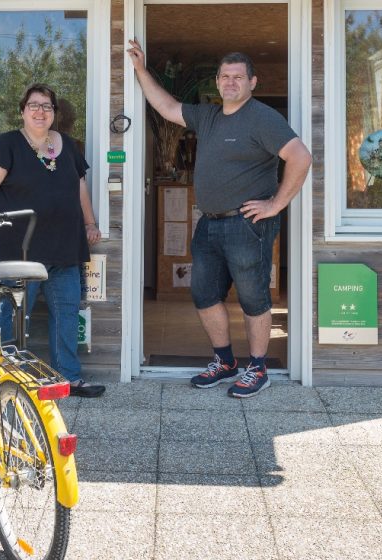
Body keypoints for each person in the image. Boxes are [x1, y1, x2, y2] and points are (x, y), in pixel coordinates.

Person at [128, 39, 312, 398]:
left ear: (252, 82)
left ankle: (257, 368)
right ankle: (225, 362)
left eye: (238, 77)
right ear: (217, 81)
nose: (230, 82)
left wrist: (275, 204)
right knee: (204, 293)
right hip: (209, 222)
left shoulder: (262, 117)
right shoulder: (208, 116)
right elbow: (166, 107)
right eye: (225, 76)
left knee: (253, 297)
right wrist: (139, 69)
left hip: (246, 225)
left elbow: (301, 157)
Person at [0, 83, 105, 398]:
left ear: (54, 113)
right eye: (33, 105)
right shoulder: (6, 145)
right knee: (13, 316)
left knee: (66, 313)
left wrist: (90, 223)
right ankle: (5, 378)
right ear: (22, 110)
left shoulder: (69, 146)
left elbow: (80, 188)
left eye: (47, 106)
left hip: (65, 247)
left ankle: (68, 379)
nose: (40, 111)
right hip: (19, 249)